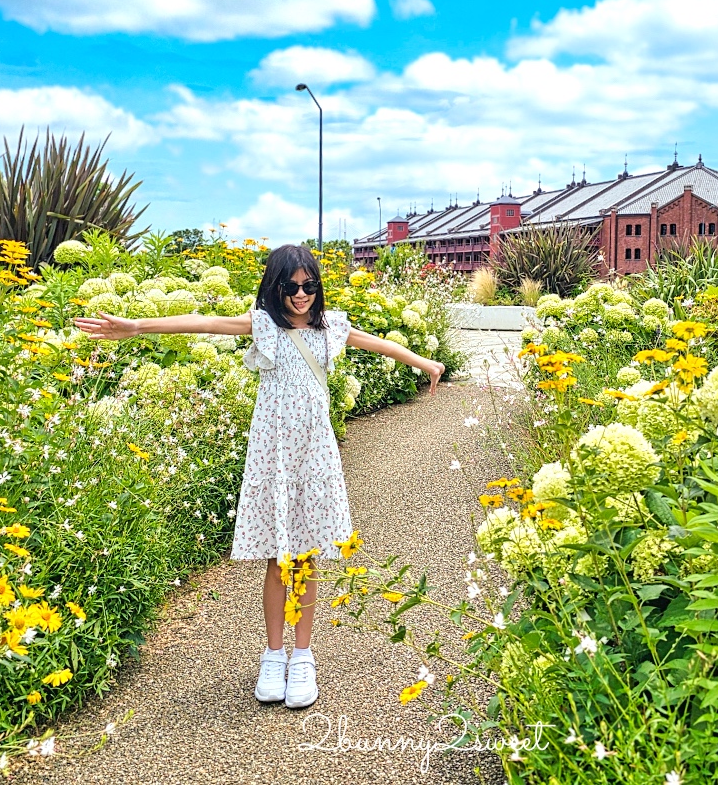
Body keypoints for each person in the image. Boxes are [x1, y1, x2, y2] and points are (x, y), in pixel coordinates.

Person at [73, 244, 445, 710]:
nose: (302, 294)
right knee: (276, 558)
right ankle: (274, 656)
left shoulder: (333, 327)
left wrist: (426, 363)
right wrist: (136, 328)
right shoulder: (264, 325)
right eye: (291, 286)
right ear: (276, 287)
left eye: (310, 285)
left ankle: (303, 657)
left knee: (307, 557)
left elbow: (380, 343)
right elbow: (202, 322)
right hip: (275, 456)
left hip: (314, 455)